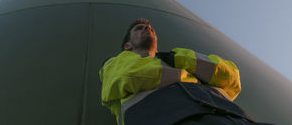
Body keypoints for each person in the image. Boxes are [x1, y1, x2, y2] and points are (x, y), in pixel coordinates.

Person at [99, 18, 270, 125]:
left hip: (232, 117)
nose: (147, 29)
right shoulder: (114, 63)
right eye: (138, 28)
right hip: (168, 119)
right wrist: (190, 75)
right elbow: (128, 76)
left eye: (149, 28)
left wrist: (177, 60)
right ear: (127, 46)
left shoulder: (178, 57)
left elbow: (231, 78)